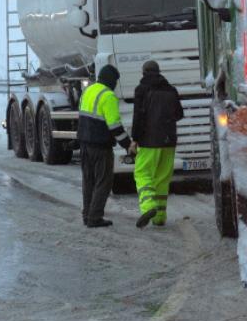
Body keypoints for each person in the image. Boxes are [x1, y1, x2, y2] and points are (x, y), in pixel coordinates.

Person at [130, 59, 184, 228]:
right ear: (158, 71)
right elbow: (179, 114)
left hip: (148, 141)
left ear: (144, 72)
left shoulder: (142, 89)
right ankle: (159, 217)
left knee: (142, 173)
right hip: (169, 141)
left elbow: (138, 117)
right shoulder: (171, 90)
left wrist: (135, 139)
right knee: (162, 179)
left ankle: (148, 207)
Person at [76, 64, 131, 228]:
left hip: (85, 144)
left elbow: (81, 117)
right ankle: (95, 217)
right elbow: (115, 126)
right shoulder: (108, 96)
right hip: (101, 147)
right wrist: (128, 145)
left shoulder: (88, 91)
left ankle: (87, 215)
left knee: (88, 181)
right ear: (111, 80)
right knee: (103, 182)